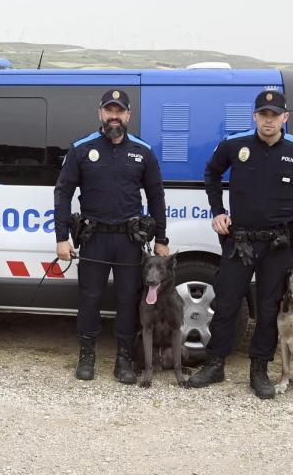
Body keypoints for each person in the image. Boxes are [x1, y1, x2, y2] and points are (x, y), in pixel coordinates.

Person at [190, 89, 293, 398]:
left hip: (277, 245)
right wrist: (217, 211)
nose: (269, 120)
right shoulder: (235, 146)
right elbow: (211, 174)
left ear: (284, 118)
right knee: (226, 303)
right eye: (263, 114)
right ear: (255, 117)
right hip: (240, 241)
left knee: (267, 309)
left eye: (274, 115)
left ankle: (259, 369)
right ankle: (215, 364)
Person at [54, 89, 168, 383]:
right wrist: (62, 236)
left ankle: (124, 359)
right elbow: (63, 192)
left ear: (128, 115)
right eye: (109, 110)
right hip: (94, 238)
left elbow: (156, 195)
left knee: (129, 299)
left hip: (129, 241)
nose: (114, 116)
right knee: (89, 298)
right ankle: (87, 355)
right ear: (100, 113)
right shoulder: (81, 149)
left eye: (120, 111)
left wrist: (162, 239)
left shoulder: (143, 151)